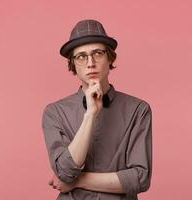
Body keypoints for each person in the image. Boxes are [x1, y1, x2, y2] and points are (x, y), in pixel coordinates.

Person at [41, 19, 152, 200]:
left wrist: (78, 181)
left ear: (110, 58)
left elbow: (139, 178)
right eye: (81, 56)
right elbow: (65, 172)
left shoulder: (138, 110)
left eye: (98, 53)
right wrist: (90, 114)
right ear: (73, 65)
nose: (90, 63)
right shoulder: (54, 112)